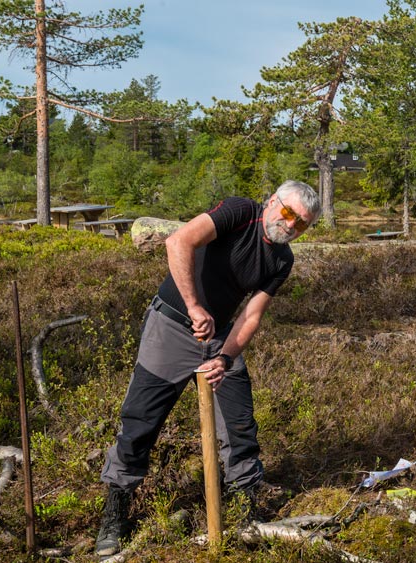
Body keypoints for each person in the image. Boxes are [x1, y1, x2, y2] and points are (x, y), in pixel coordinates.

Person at [94, 180, 321, 557]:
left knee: (240, 424)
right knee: (140, 422)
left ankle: (244, 507)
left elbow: (250, 316)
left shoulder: (282, 260)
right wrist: (194, 305)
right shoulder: (239, 212)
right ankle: (116, 512)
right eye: (288, 214)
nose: (291, 226)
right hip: (171, 323)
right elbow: (179, 241)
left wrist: (224, 358)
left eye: (302, 224)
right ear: (272, 202)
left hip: (219, 339)